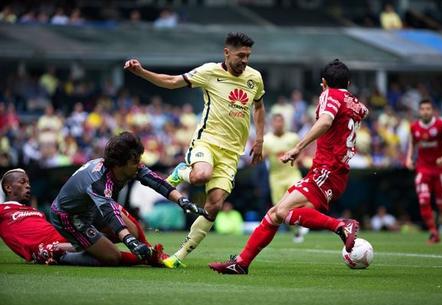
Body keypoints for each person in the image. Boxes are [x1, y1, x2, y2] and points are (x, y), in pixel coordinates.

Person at [209, 59, 368, 274]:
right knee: (275, 214)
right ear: (348, 82)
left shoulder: (330, 94)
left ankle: (340, 226)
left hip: (327, 170)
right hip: (332, 171)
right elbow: (359, 113)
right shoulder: (355, 103)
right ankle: (241, 263)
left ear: (323, 83)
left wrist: (297, 148)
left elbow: (325, 122)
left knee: (283, 212)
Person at [124, 32, 265, 268]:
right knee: (201, 175)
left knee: (215, 204)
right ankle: (182, 171)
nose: (245, 61)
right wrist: (141, 72)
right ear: (227, 53)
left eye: (248, 56)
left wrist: (259, 138)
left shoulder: (255, 78)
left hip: (231, 154)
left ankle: (179, 256)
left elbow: (259, 106)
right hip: (207, 142)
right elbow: (171, 82)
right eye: (241, 55)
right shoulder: (209, 72)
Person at [49, 131, 206, 266]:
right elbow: (110, 214)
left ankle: (82, 245)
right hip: (69, 216)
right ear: (119, 165)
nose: (139, 165)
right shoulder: (99, 182)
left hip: (90, 208)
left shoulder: (126, 166)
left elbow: (156, 181)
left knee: (132, 231)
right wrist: (131, 242)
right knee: (112, 257)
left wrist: (182, 200)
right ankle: (58, 256)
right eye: (135, 162)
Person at [0, 168, 166, 266]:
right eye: (22, 182)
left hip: (69, 236)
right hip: (51, 249)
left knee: (115, 215)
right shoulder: (2, 210)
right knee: (110, 256)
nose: (28, 185)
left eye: (28, 182)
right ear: (8, 187)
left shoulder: (36, 211)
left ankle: (146, 249)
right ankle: (147, 258)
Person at [405, 99, 442, 243]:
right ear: (419, 111)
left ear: (432, 110)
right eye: (423, 109)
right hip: (423, 169)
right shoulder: (414, 127)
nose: (425, 111)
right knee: (423, 200)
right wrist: (409, 159)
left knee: (441, 203)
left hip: (440, 170)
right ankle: (434, 232)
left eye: (428, 108)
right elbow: (412, 144)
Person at [264, 113, 308, 243]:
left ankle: (304, 222)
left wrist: (299, 159)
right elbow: (260, 156)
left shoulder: (293, 137)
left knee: (300, 200)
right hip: (276, 177)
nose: (278, 124)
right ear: (272, 123)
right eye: (276, 122)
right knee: (280, 209)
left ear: (284, 123)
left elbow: (301, 151)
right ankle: (296, 231)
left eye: (280, 121)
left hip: (292, 174)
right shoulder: (266, 139)